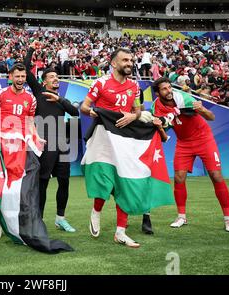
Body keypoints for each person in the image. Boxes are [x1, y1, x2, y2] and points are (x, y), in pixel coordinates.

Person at [151, 77, 229, 233]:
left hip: (204, 139)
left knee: (216, 175)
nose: (169, 91)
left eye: (169, 87)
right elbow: (163, 135)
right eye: (164, 89)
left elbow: (212, 117)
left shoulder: (183, 98)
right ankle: (181, 217)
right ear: (158, 93)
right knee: (178, 177)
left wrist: (202, 109)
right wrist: (160, 127)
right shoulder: (156, 108)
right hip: (184, 143)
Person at [80, 48, 143, 248]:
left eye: (131, 60)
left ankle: (121, 232)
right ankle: (96, 212)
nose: (129, 63)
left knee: (123, 182)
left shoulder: (134, 85)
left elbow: (138, 109)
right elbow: (84, 106)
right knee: (104, 180)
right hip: (103, 136)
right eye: (125, 60)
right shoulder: (101, 83)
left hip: (125, 138)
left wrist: (134, 116)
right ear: (114, 63)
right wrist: (91, 112)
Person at [23, 41, 79, 232]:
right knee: (43, 183)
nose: (56, 79)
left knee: (64, 181)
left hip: (62, 145)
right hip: (45, 145)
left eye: (57, 77)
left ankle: (60, 219)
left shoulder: (62, 100)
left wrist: (60, 100)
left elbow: (75, 112)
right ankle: (38, 219)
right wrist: (31, 49)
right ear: (44, 81)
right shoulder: (38, 92)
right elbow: (25, 67)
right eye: (52, 77)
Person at [0, 63, 46, 239]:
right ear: (10, 76)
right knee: (0, 185)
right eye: (17, 76)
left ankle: (19, 221)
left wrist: (36, 137)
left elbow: (29, 123)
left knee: (20, 187)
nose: (20, 80)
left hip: (21, 146)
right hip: (3, 144)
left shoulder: (31, 98)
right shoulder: (1, 94)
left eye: (23, 76)